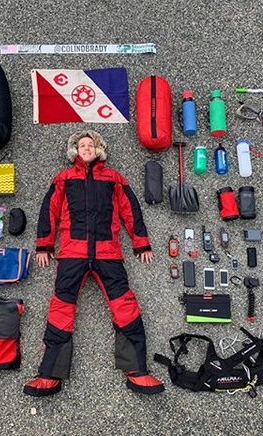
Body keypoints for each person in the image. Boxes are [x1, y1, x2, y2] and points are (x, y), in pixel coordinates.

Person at [23, 130, 164, 397]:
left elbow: (130, 210)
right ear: (74, 151)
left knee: (125, 306)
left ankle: (138, 372)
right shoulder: (64, 178)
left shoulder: (113, 178)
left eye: (90, 145)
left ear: (99, 149)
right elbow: (49, 211)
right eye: (81, 145)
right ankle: (49, 375)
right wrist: (44, 245)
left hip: (108, 253)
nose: (86, 148)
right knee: (60, 308)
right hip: (72, 254)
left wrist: (141, 242)